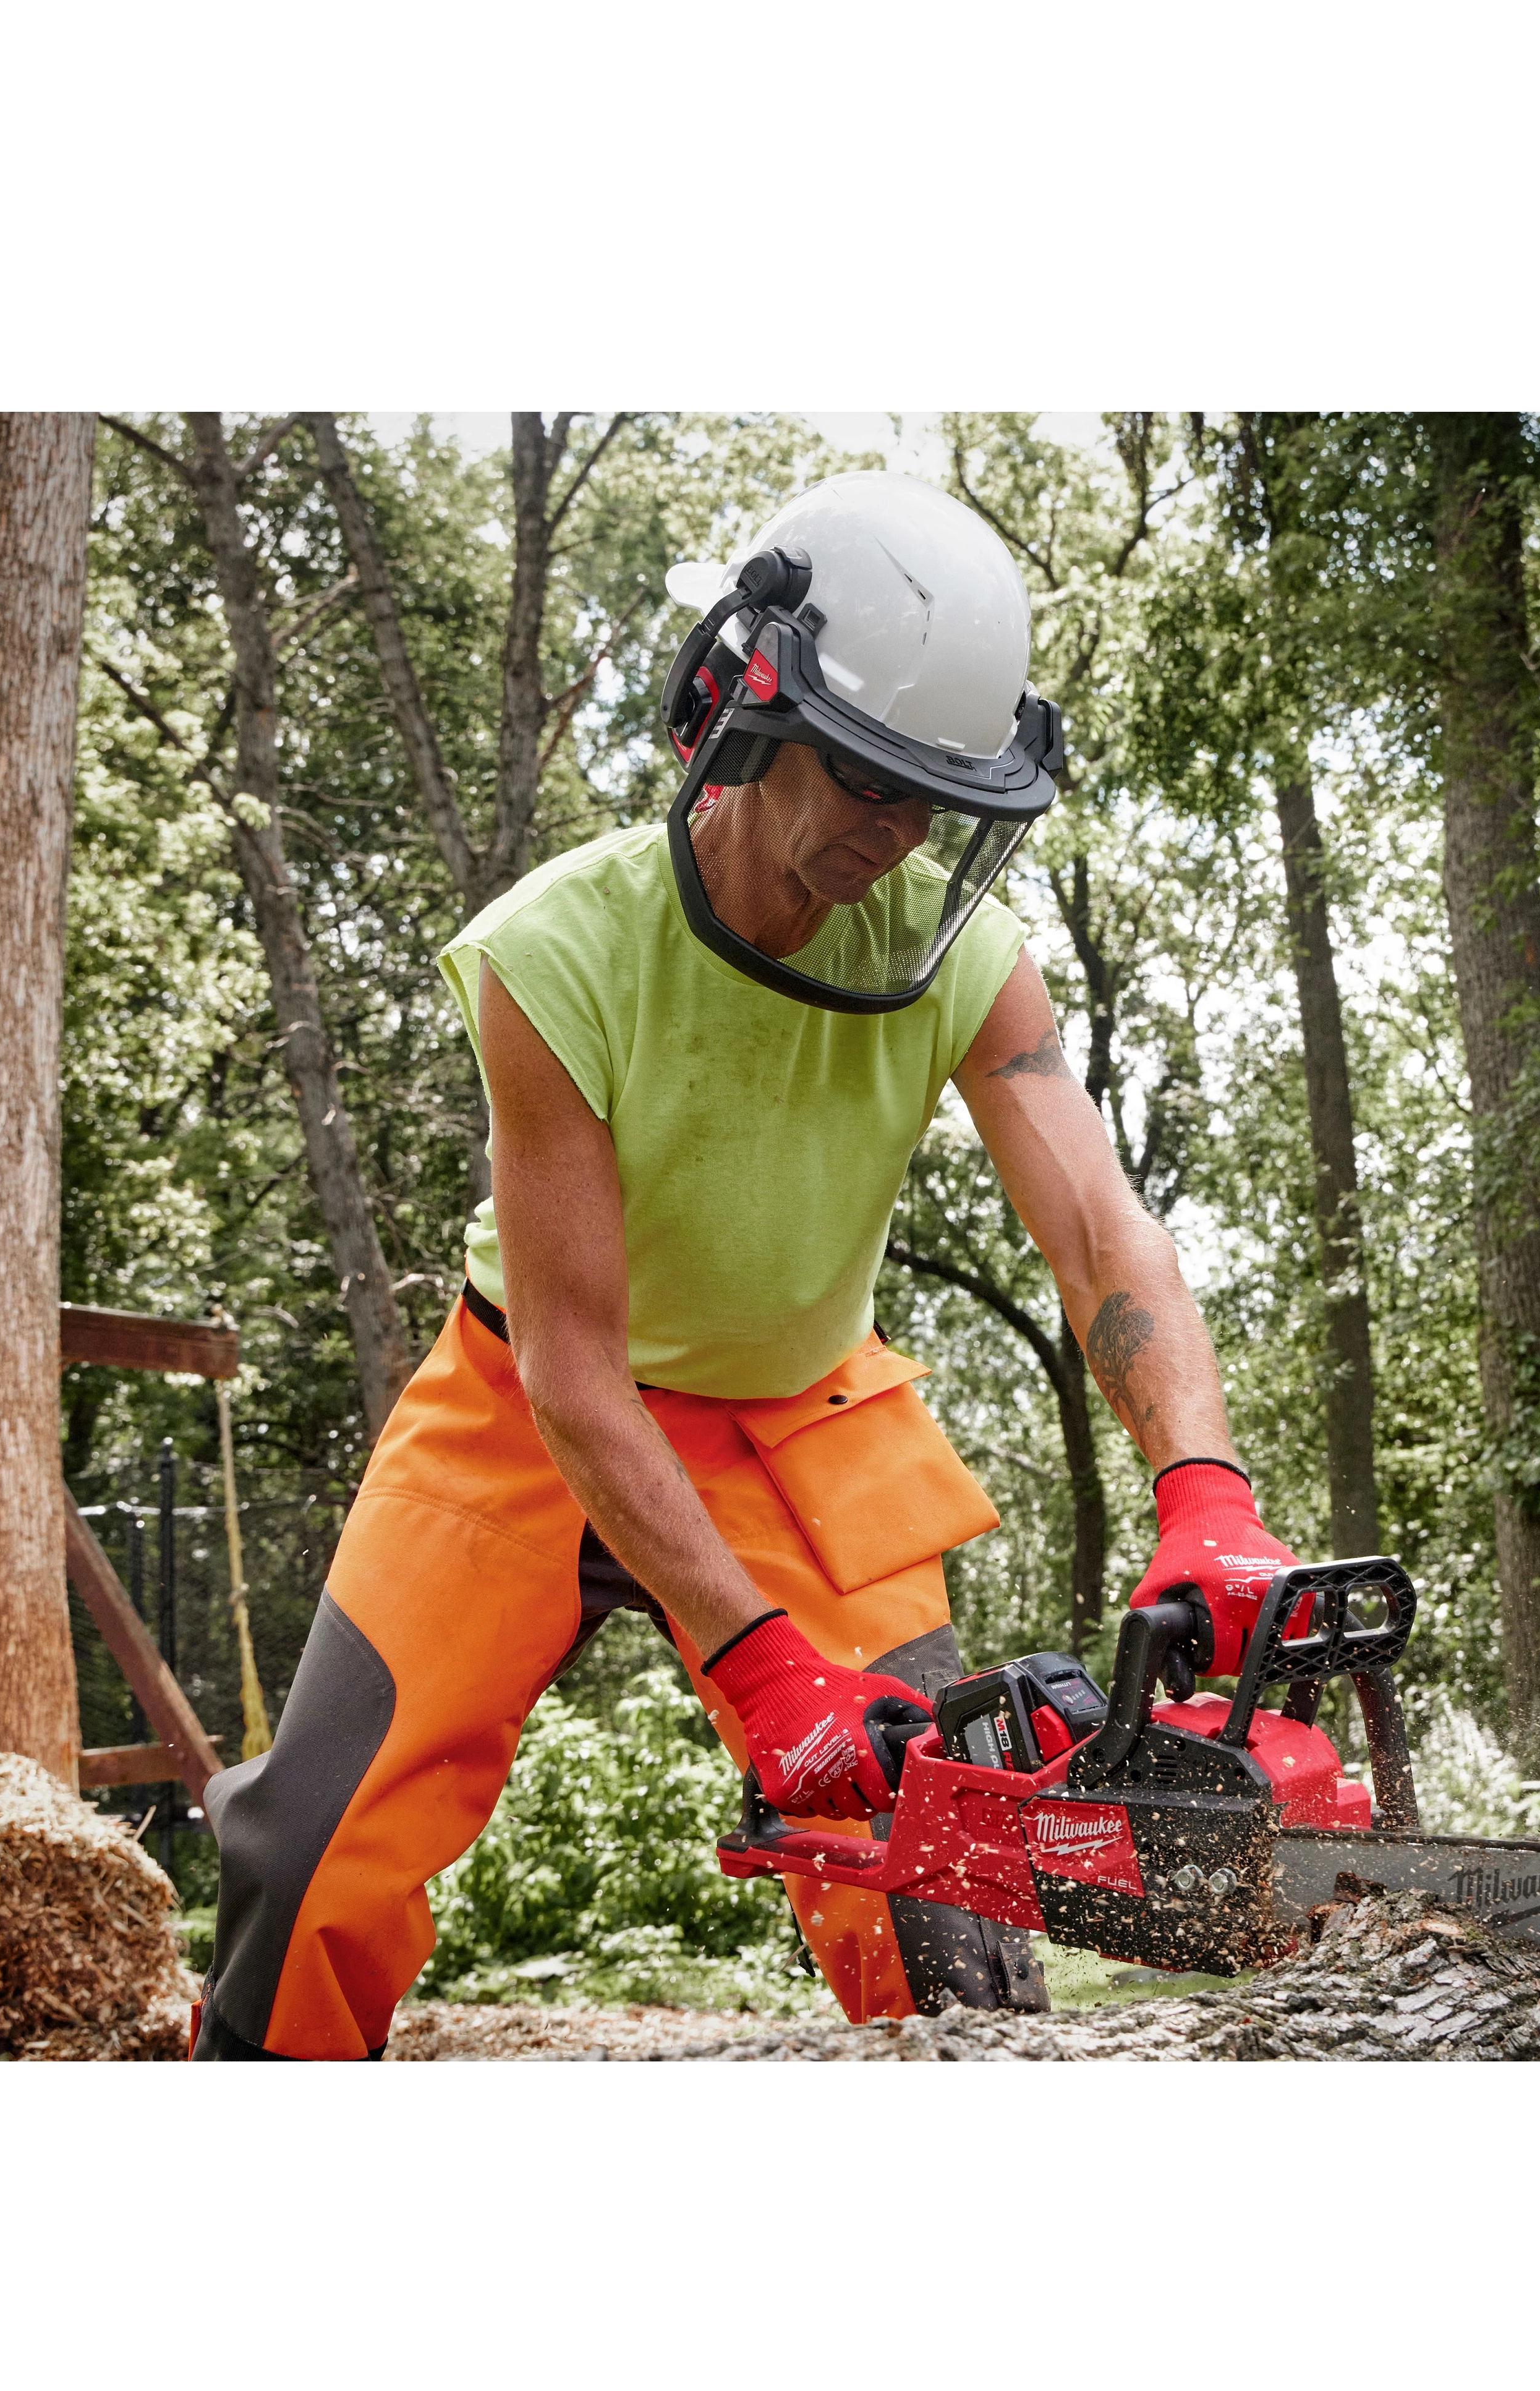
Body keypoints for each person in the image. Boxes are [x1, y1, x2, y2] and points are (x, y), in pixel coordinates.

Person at [194, 471, 1306, 2059]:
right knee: (310, 1856)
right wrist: (760, 1660)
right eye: (865, 778)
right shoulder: (556, 953)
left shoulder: (965, 961)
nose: (896, 831)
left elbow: (1096, 1228)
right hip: (529, 1408)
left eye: (932, 798)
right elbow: (575, 1370)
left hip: (801, 1418)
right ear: (748, 710)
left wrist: (1202, 1486)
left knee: (945, 1891)